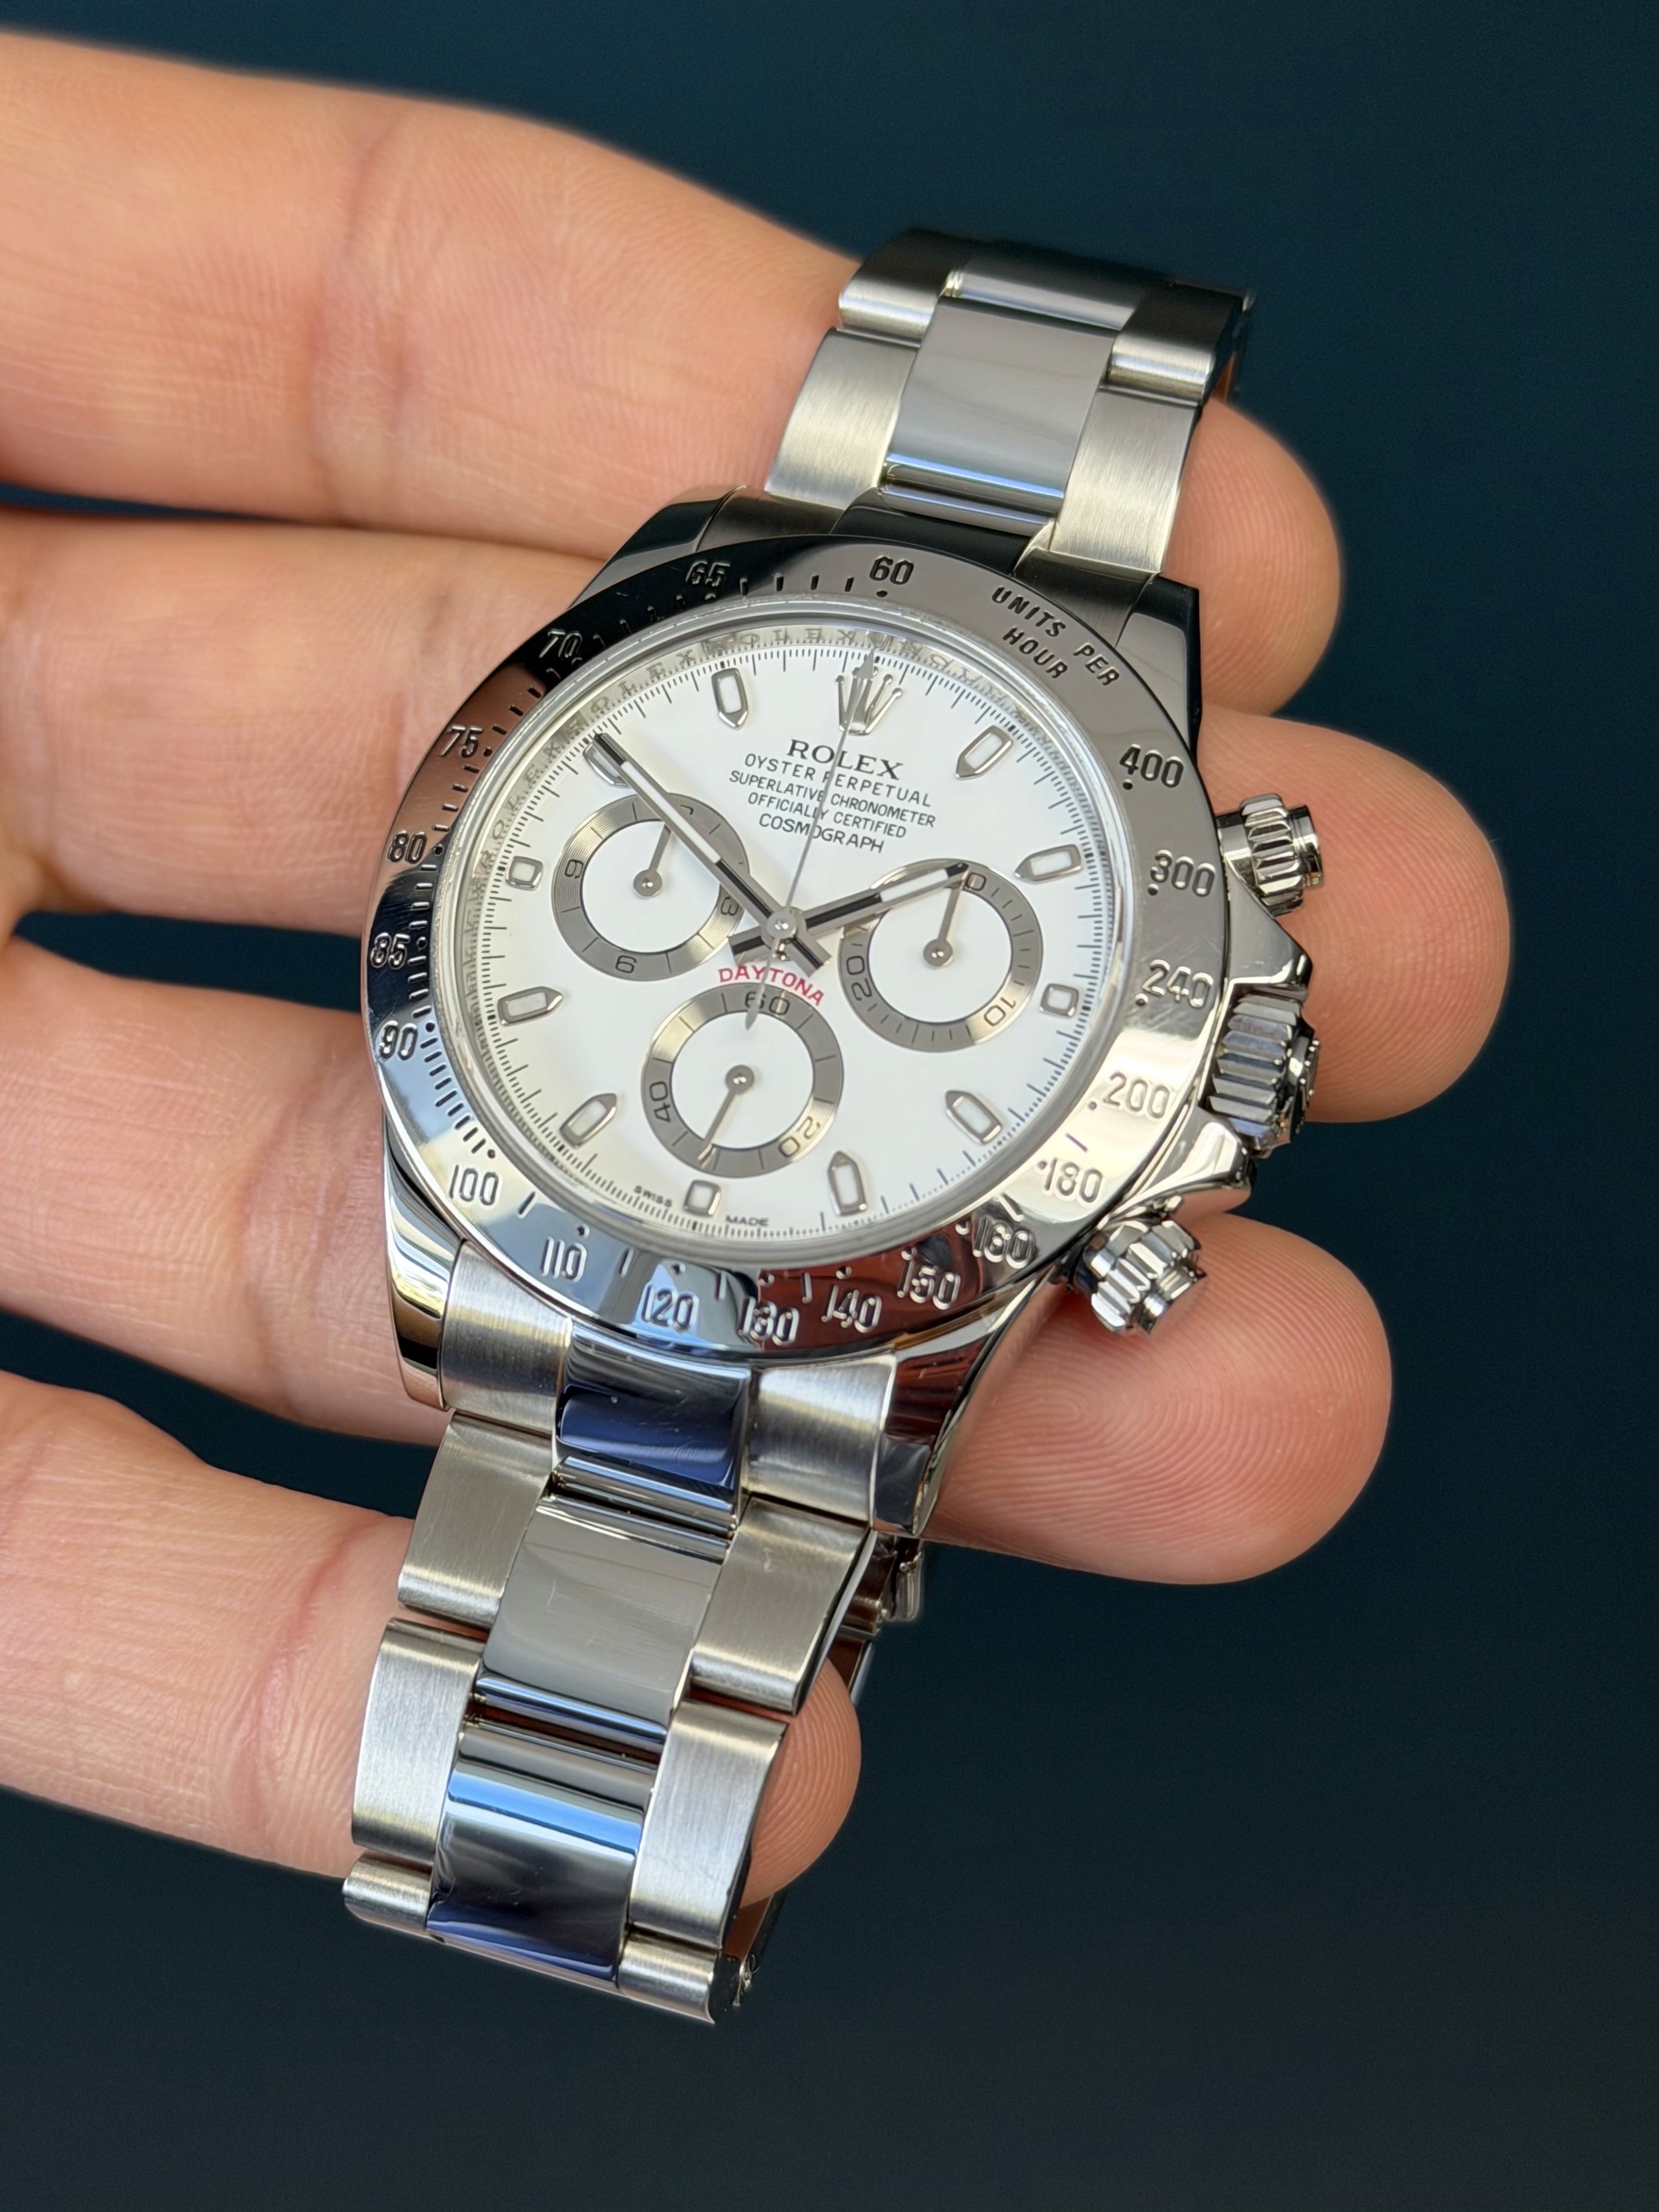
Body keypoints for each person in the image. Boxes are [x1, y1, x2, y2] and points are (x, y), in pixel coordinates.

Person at [0, 32, 1509, 1910]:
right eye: (769, 922)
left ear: (1204, 1032)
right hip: (577, 1213)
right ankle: (609, 1813)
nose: (781, 947)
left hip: (787, 1274)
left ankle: (639, 1797)